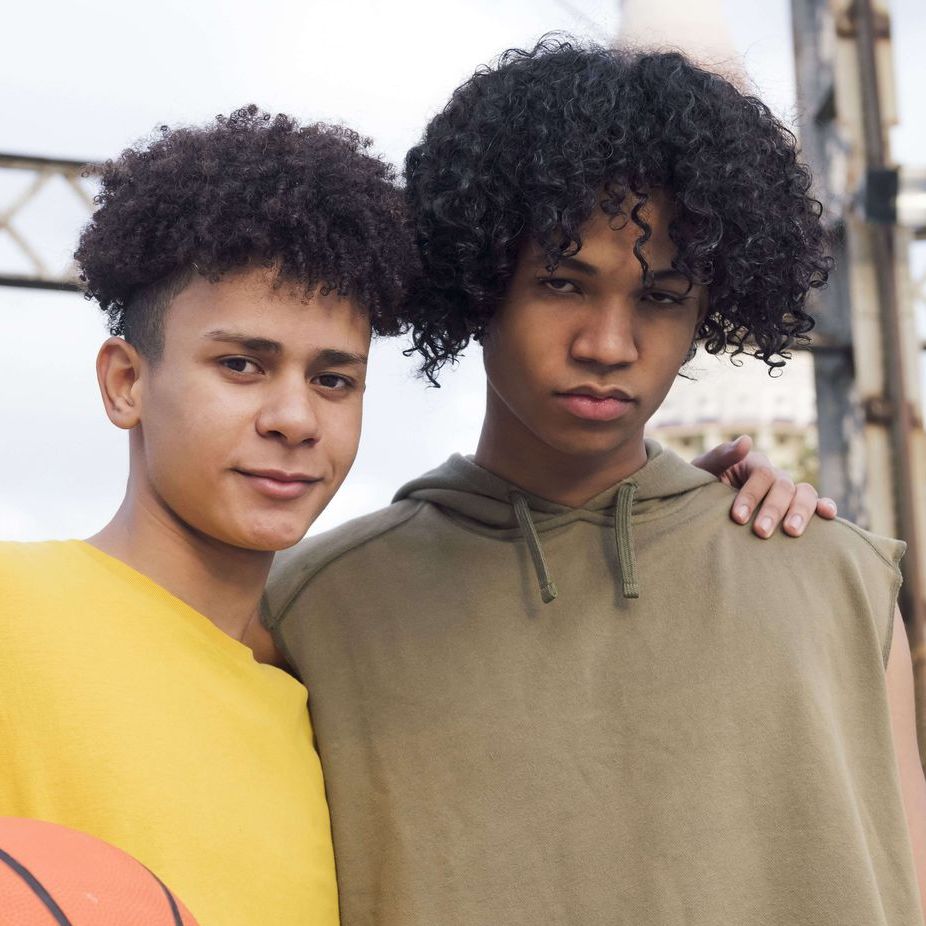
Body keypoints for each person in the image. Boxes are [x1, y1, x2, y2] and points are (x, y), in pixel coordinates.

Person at [264, 40, 926, 925]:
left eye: (660, 297)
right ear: (480, 282)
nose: (608, 345)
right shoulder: (314, 609)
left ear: (709, 307)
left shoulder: (837, 579)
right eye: (560, 283)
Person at [0, 106, 415, 926]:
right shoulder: (14, 610)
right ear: (126, 382)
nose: (295, 418)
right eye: (241, 364)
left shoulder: (325, 719)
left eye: (334, 380)